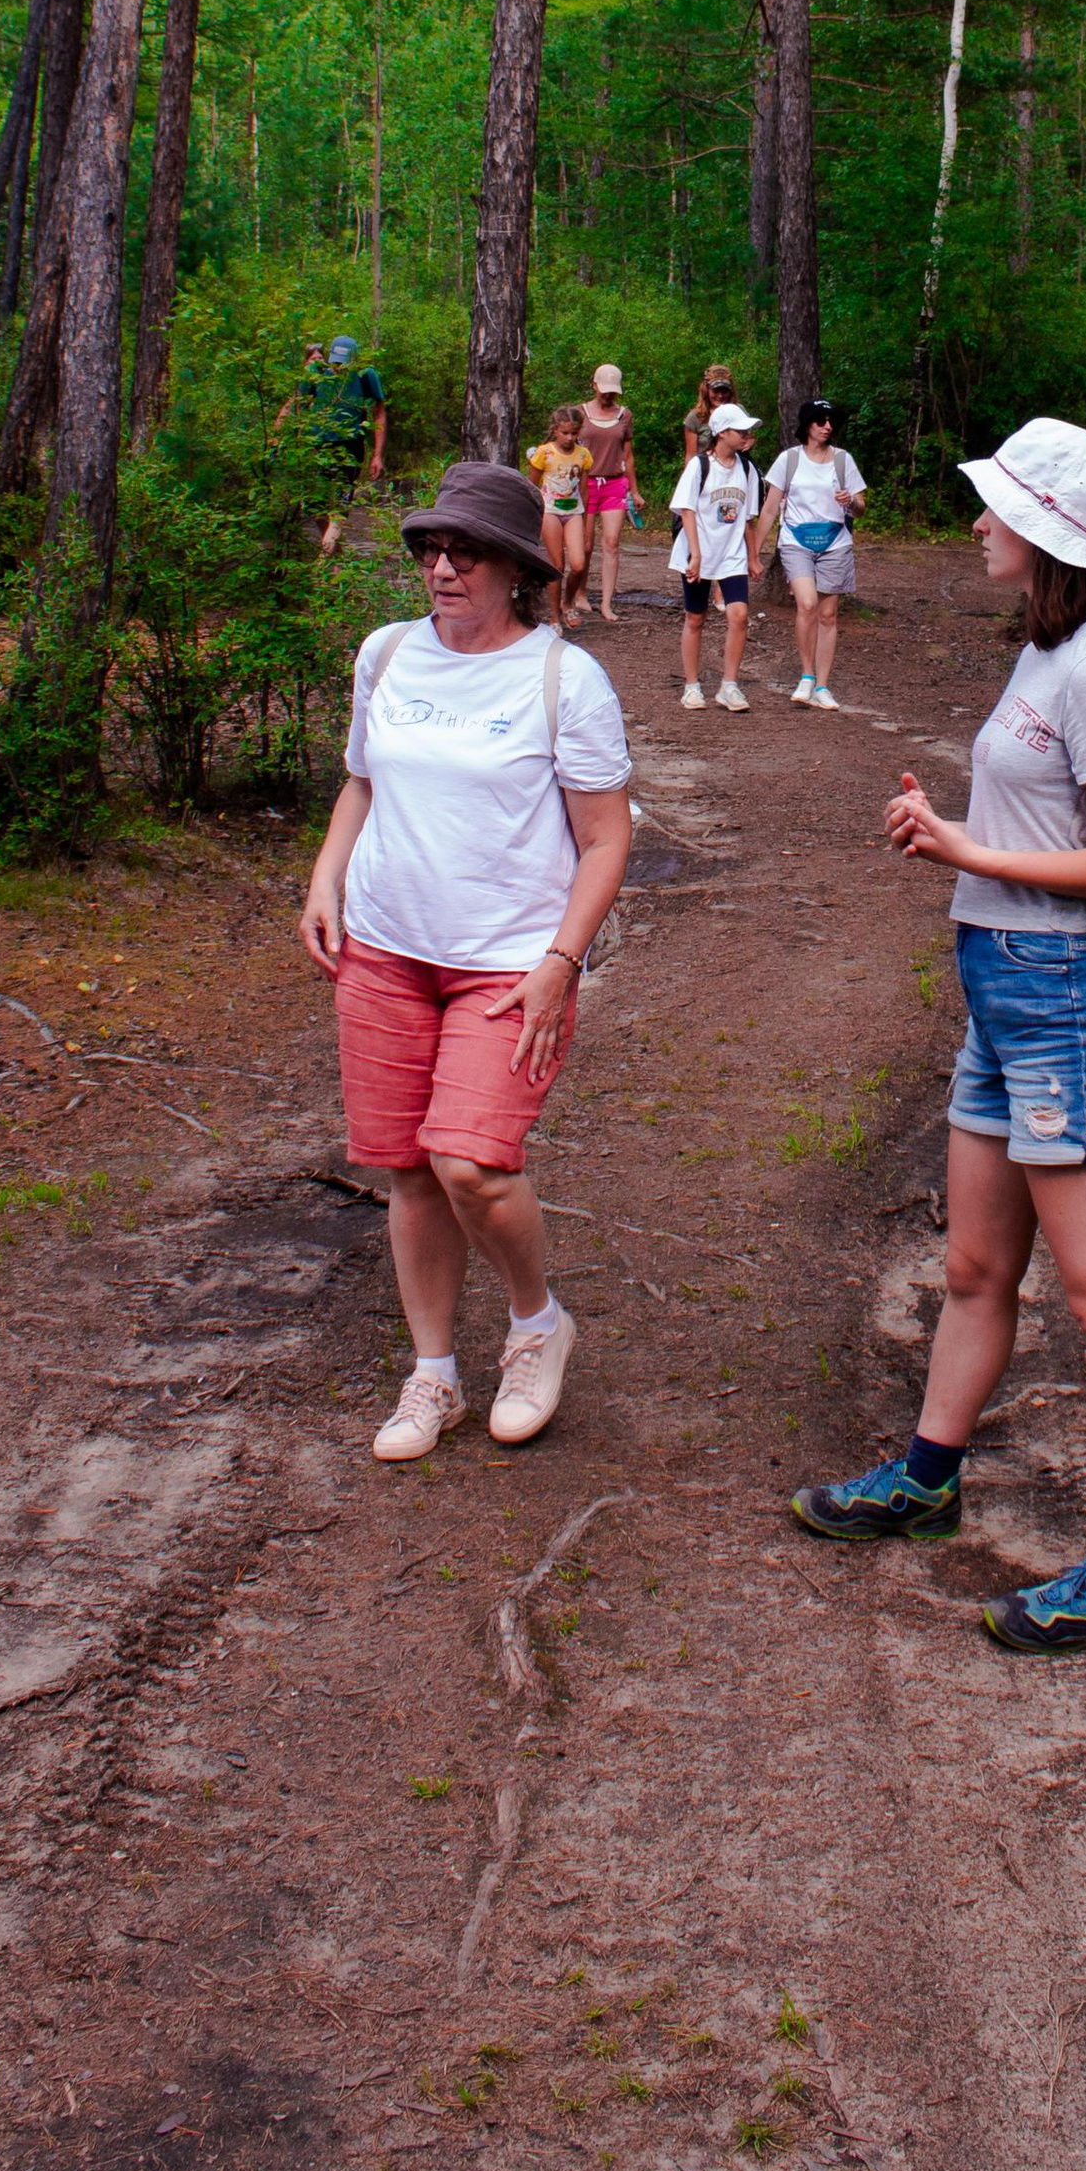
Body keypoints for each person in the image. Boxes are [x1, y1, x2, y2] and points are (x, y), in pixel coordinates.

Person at [790, 417, 1086, 1653]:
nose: (973, 521)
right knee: (972, 1270)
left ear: (1048, 532)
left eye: (993, 505)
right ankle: (926, 1479)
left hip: (1065, 997)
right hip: (1005, 996)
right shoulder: (1044, 649)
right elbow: (1044, 815)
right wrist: (949, 824)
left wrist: (965, 849)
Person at [299, 459, 630, 1461]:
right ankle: (433, 1373)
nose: (442, 569)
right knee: (404, 1169)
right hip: (388, 947)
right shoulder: (387, 655)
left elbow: (607, 840)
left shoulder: (561, 677)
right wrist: (324, 879)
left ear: (515, 567)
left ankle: (536, 1325)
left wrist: (561, 961)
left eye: (466, 552)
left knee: (470, 1162)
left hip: (508, 962)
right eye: (431, 550)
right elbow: (363, 782)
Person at [756, 397, 866, 711]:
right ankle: (805, 675)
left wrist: (851, 502)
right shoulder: (788, 460)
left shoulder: (843, 461)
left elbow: (860, 506)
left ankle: (822, 686)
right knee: (806, 604)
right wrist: (754, 552)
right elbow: (768, 509)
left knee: (828, 615)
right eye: (821, 421)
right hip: (796, 540)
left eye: (831, 422)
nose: (827, 426)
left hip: (835, 542)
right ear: (807, 426)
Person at [669, 399, 761, 714]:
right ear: (722, 433)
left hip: (731, 554)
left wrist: (753, 556)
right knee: (695, 617)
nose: (748, 436)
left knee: (739, 616)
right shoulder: (700, 466)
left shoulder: (748, 469)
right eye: (741, 431)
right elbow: (687, 509)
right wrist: (695, 554)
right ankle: (692, 686)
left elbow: (747, 517)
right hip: (699, 550)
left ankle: (729, 686)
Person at [272, 335, 387, 554]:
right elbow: (296, 403)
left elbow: (379, 411)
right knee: (316, 508)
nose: (338, 367)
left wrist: (377, 455)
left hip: (350, 449)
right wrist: (281, 438)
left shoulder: (366, 375)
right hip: (318, 447)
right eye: (334, 361)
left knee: (339, 509)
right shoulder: (316, 374)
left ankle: (322, 567)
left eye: (343, 363)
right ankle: (336, 554)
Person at [576, 364, 636, 621]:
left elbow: (628, 455)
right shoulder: (579, 413)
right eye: (604, 390)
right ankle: (579, 593)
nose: (608, 395)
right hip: (585, 483)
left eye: (613, 391)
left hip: (614, 482)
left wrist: (635, 490)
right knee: (586, 545)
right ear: (594, 385)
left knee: (611, 542)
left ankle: (606, 603)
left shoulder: (624, 415)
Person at [525, 404, 589, 627]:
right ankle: (554, 616)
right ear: (555, 430)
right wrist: (532, 515)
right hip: (550, 510)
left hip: (574, 512)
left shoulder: (583, 455)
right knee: (557, 565)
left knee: (579, 564)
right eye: (565, 433)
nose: (570, 437)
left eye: (574, 433)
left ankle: (568, 603)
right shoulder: (545, 453)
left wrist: (587, 517)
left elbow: (584, 489)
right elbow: (531, 485)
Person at [681, 361, 740, 474]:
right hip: (706, 471)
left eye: (724, 391)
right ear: (706, 390)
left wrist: (749, 441)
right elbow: (690, 455)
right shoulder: (695, 417)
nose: (720, 395)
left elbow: (750, 437)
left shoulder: (738, 411)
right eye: (716, 391)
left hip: (735, 468)